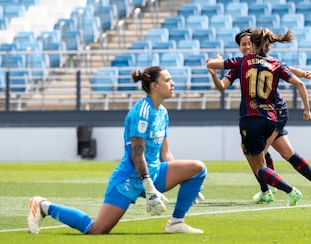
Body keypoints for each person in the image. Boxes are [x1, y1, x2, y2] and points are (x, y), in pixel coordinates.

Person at [27, 66, 207, 235]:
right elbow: (137, 154)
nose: (173, 83)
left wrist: (187, 181)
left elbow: (165, 153)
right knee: (97, 230)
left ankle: (176, 223)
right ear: (154, 85)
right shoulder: (142, 111)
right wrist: (149, 187)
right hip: (130, 177)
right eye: (168, 80)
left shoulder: (163, 112)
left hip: (154, 172)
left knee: (197, 169)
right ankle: (43, 206)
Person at [206, 29, 311, 204]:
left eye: (249, 43)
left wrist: (215, 63)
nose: (247, 46)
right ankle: (306, 183)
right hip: (268, 115)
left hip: (273, 112)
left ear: (255, 44)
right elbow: (222, 86)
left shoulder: (243, 63)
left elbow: (279, 66)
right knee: (279, 152)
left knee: (260, 156)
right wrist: (301, 74)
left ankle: (274, 189)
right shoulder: (246, 65)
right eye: (243, 44)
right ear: (239, 47)